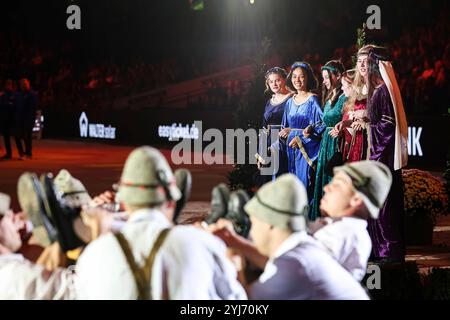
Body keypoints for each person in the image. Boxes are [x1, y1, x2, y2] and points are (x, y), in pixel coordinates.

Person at [75, 146, 247, 299]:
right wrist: (235, 263)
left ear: (125, 203)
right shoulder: (204, 244)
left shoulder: (92, 256)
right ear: (172, 202)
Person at [213, 174, 369, 300]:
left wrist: (232, 258)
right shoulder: (303, 249)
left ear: (270, 224)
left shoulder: (295, 264)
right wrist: (232, 240)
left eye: (253, 223)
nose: (251, 233)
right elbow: (273, 261)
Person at [310, 160, 393, 281]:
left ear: (356, 199)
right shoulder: (344, 230)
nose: (326, 188)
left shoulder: (342, 232)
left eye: (337, 185)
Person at [363, 45, 408, 262]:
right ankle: (380, 248)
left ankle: (389, 250)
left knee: (384, 205)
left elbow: (387, 125)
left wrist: (375, 152)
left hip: (383, 157)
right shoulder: (379, 90)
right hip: (380, 155)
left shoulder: (382, 92)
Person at [0, 192, 76, 299]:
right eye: (7, 216)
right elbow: (85, 290)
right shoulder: (12, 276)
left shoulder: (11, 270)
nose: (15, 216)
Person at [279, 62, 324, 203]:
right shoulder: (289, 102)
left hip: (305, 148)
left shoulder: (313, 100)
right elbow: (284, 126)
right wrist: (288, 131)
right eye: (294, 77)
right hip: (290, 148)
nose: (297, 80)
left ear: (308, 78)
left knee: (304, 183)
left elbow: (322, 123)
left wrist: (304, 137)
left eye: (301, 77)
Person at [310, 60, 346, 220]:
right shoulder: (330, 96)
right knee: (324, 180)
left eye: (326, 77)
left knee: (334, 180)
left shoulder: (345, 97)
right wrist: (312, 128)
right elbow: (325, 121)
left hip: (337, 143)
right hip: (326, 143)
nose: (324, 81)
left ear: (337, 76)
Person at [257, 67, 291, 184]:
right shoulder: (269, 102)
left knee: (280, 179)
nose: (274, 84)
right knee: (266, 182)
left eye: (277, 80)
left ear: (284, 80)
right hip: (267, 143)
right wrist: (261, 152)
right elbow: (263, 128)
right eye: (271, 82)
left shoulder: (292, 99)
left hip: (283, 143)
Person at [15, 78, 37, 160]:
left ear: (27, 85)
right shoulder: (20, 94)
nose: (22, 86)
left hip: (28, 119)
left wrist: (30, 119)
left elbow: (32, 108)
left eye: (24, 84)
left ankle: (28, 153)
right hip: (20, 119)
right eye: (21, 84)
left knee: (27, 136)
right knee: (18, 135)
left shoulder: (31, 95)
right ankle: (22, 153)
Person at [0, 80, 17, 160]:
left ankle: (23, 153)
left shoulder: (14, 94)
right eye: (7, 84)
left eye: (9, 84)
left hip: (11, 118)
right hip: (4, 117)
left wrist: (7, 104)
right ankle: (8, 153)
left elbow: (13, 105)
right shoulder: (3, 94)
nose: (8, 86)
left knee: (16, 136)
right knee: (6, 136)